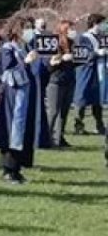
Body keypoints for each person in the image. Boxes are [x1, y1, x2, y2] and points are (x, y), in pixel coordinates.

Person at [0, 16, 48, 183]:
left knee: (25, 133)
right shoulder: (8, 48)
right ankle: (8, 170)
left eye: (30, 27)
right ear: (16, 30)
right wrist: (25, 63)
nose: (28, 32)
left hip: (30, 98)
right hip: (13, 99)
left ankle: (18, 169)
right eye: (25, 28)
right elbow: (7, 74)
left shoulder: (28, 47)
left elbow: (39, 74)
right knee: (12, 132)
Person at [43, 20, 77, 149]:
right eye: (70, 29)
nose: (73, 32)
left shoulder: (73, 44)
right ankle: (47, 138)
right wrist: (62, 59)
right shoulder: (54, 44)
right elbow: (49, 66)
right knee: (53, 111)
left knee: (64, 112)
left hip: (69, 80)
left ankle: (59, 138)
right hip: (56, 81)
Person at [73, 14, 106, 136]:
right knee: (82, 97)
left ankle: (99, 125)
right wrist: (96, 53)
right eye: (102, 23)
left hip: (97, 71)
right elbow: (81, 55)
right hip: (85, 71)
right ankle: (78, 125)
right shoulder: (84, 37)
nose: (104, 26)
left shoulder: (101, 37)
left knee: (97, 100)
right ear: (95, 23)